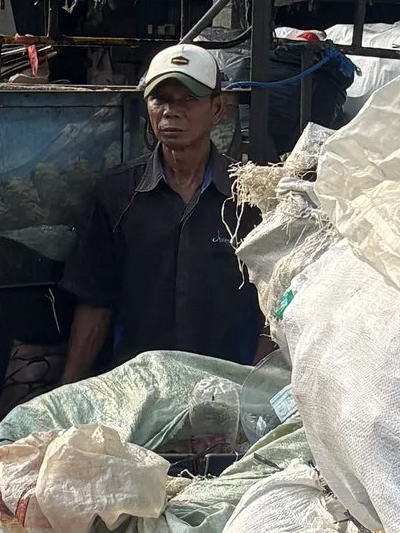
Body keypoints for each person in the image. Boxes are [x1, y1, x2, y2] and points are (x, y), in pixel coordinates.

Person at [60, 42, 264, 379]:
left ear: (217, 110)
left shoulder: (249, 197)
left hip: (224, 386)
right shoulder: (118, 193)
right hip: (137, 387)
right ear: (147, 108)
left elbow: (273, 307)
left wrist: (254, 385)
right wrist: (67, 388)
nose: (172, 111)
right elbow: (96, 301)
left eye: (188, 99)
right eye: (161, 99)